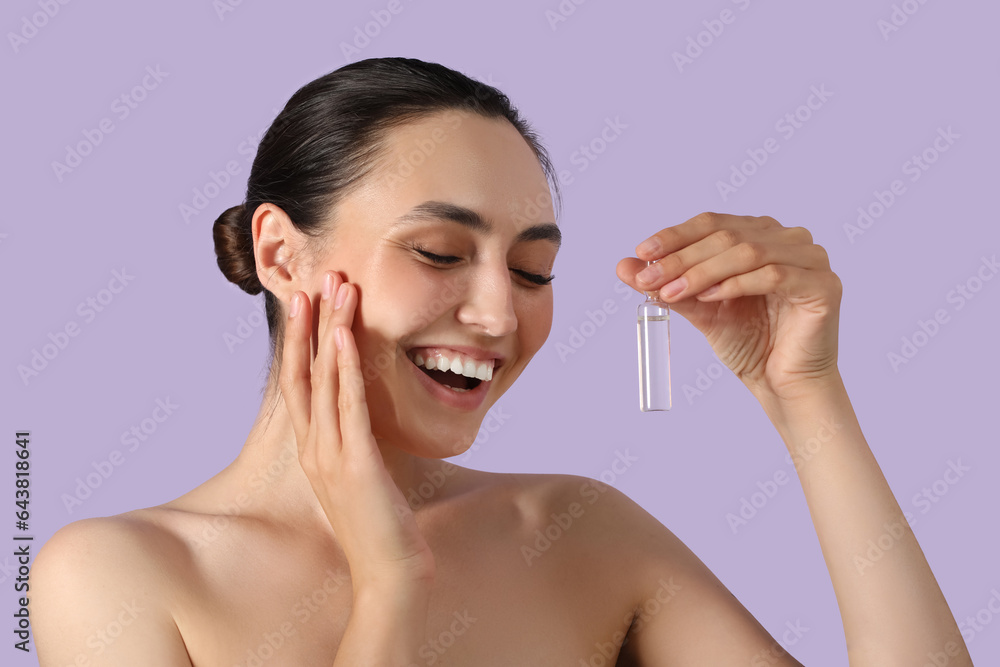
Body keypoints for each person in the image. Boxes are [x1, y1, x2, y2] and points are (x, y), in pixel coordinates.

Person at [30, 57, 972, 666]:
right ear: (283, 256)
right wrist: (390, 587)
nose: (496, 313)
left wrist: (806, 396)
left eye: (533, 269)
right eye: (440, 253)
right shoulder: (117, 575)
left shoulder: (575, 530)